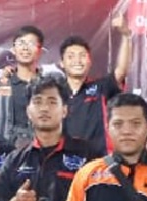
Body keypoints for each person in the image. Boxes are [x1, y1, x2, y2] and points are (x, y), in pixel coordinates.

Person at [59, 15, 131, 158]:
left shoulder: (101, 87)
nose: (77, 60)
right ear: (61, 63)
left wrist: (126, 36)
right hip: (64, 162)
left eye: (82, 55)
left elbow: (121, 71)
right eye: (71, 56)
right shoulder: (56, 93)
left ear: (90, 61)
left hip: (99, 161)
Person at [0, 25, 46, 147]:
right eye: (21, 43)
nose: (25, 48)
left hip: (40, 151)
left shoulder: (48, 87)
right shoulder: (2, 84)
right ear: (13, 49)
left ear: (40, 50)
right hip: (5, 152)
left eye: (31, 43)